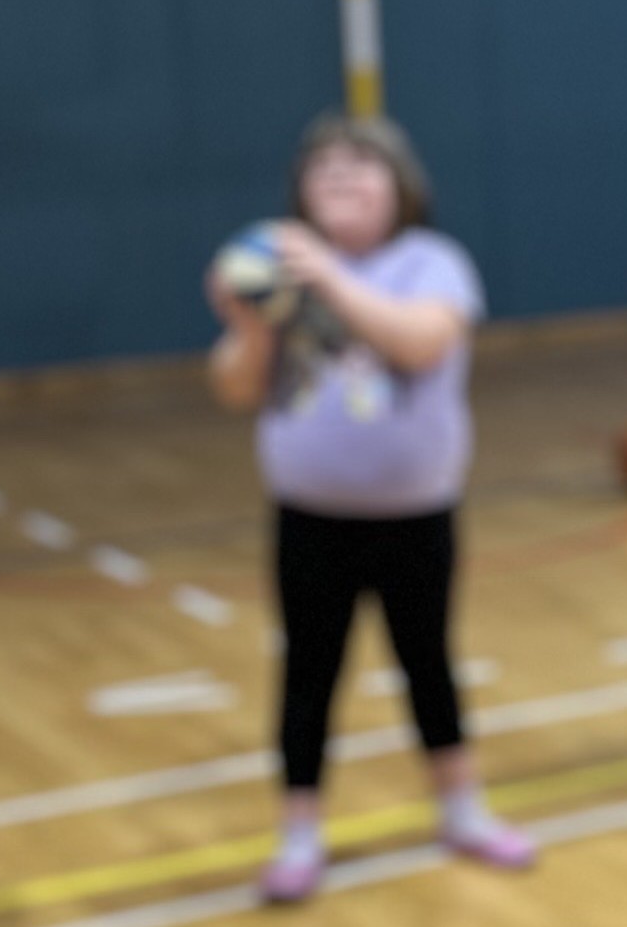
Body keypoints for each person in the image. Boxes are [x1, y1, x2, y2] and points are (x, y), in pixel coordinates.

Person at [206, 111, 534, 904]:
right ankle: (298, 831)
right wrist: (250, 324)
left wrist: (324, 275)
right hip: (309, 517)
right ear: (300, 194)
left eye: (361, 166)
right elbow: (235, 386)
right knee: (309, 671)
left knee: (427, 661)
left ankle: (461, 806)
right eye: (323, 170)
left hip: (415, 515)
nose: (341, 179)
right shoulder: (280, 273)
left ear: (401, 186)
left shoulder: (431, 262)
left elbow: (421, 342)